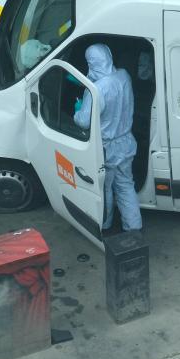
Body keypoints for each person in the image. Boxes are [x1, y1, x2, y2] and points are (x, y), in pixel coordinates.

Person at [73, 44, 142, 233]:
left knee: (105, 189)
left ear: (91, 62)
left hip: (106, 148)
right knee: (126, 185)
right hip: (126, 141)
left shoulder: (96, 89)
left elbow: (83, 122)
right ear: (109, 55)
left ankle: (106, 225)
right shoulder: (124, 75)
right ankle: (134, 227)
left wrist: (78, 110)